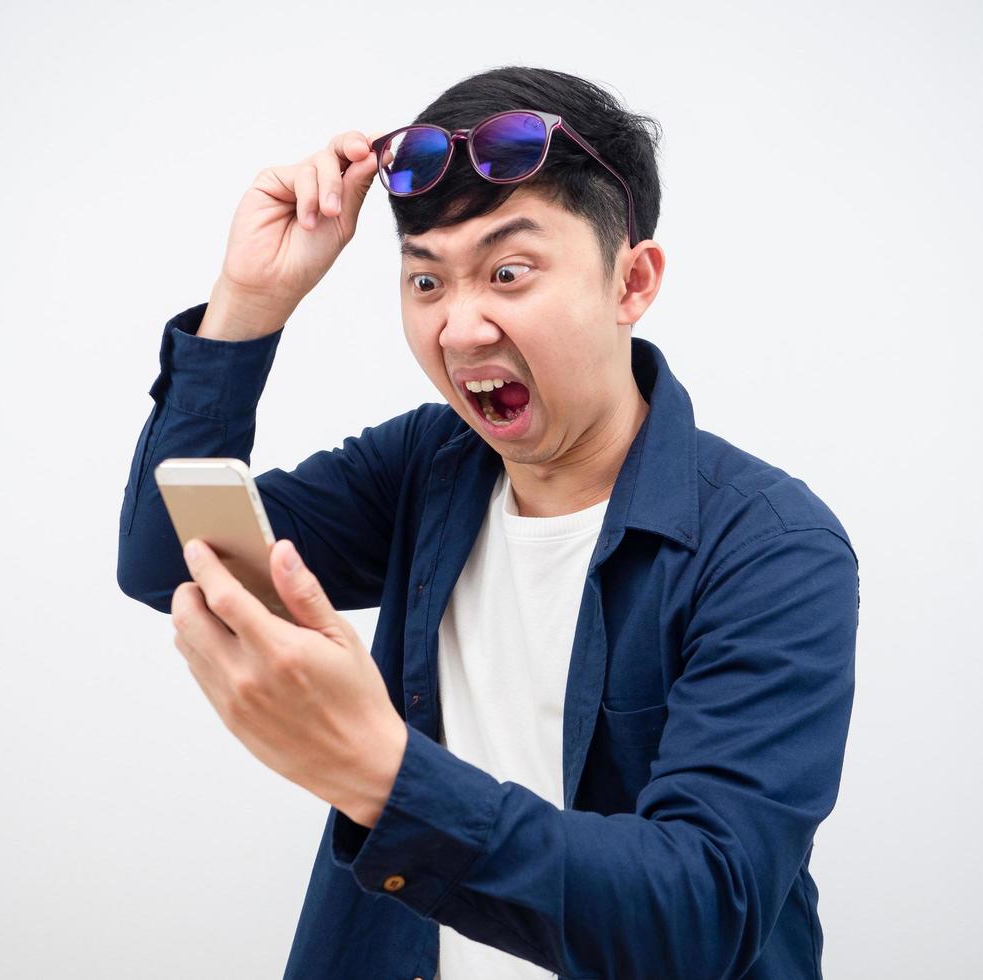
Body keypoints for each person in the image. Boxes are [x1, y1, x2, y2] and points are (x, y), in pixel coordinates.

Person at [117, 65, 859, 980]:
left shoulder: (773, 550)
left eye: (508, 272)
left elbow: (701, 917)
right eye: (425, 282)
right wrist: (248, 304)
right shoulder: (427, 469)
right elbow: (166, 557)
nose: (460, 327)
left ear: (631, 282)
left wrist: (382, 774)